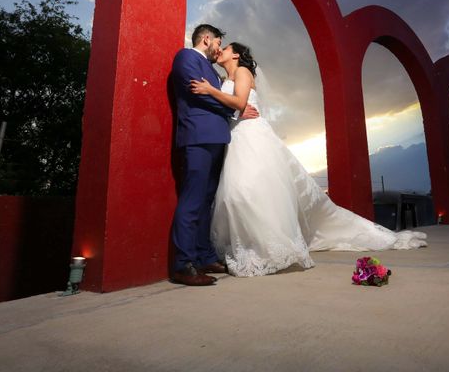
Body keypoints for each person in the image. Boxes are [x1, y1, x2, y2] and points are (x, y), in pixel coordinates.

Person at [189, 42, 427, 277]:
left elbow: (240, 102)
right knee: (235, 194)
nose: (221, 50)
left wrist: (211, 91)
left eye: (226, 48)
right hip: (236, 136)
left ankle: (268, 248)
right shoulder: (221, 78)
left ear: (237, 54)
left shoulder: (242, 71)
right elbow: (233, 106)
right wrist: (224, 100)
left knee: (248, 190)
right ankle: (250, 243)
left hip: (251, 134)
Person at [170, 24, 258, 286]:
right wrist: (233, 111)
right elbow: (196, 92)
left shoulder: (214, 72)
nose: (219, 49)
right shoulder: (186, 57)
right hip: (198, 135)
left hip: (217, 139)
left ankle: (205, 256)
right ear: (207, 39)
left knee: (206, 200)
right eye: (218, 43)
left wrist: (225, 103)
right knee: (192, 198)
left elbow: (213, 94)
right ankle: (183, 264)